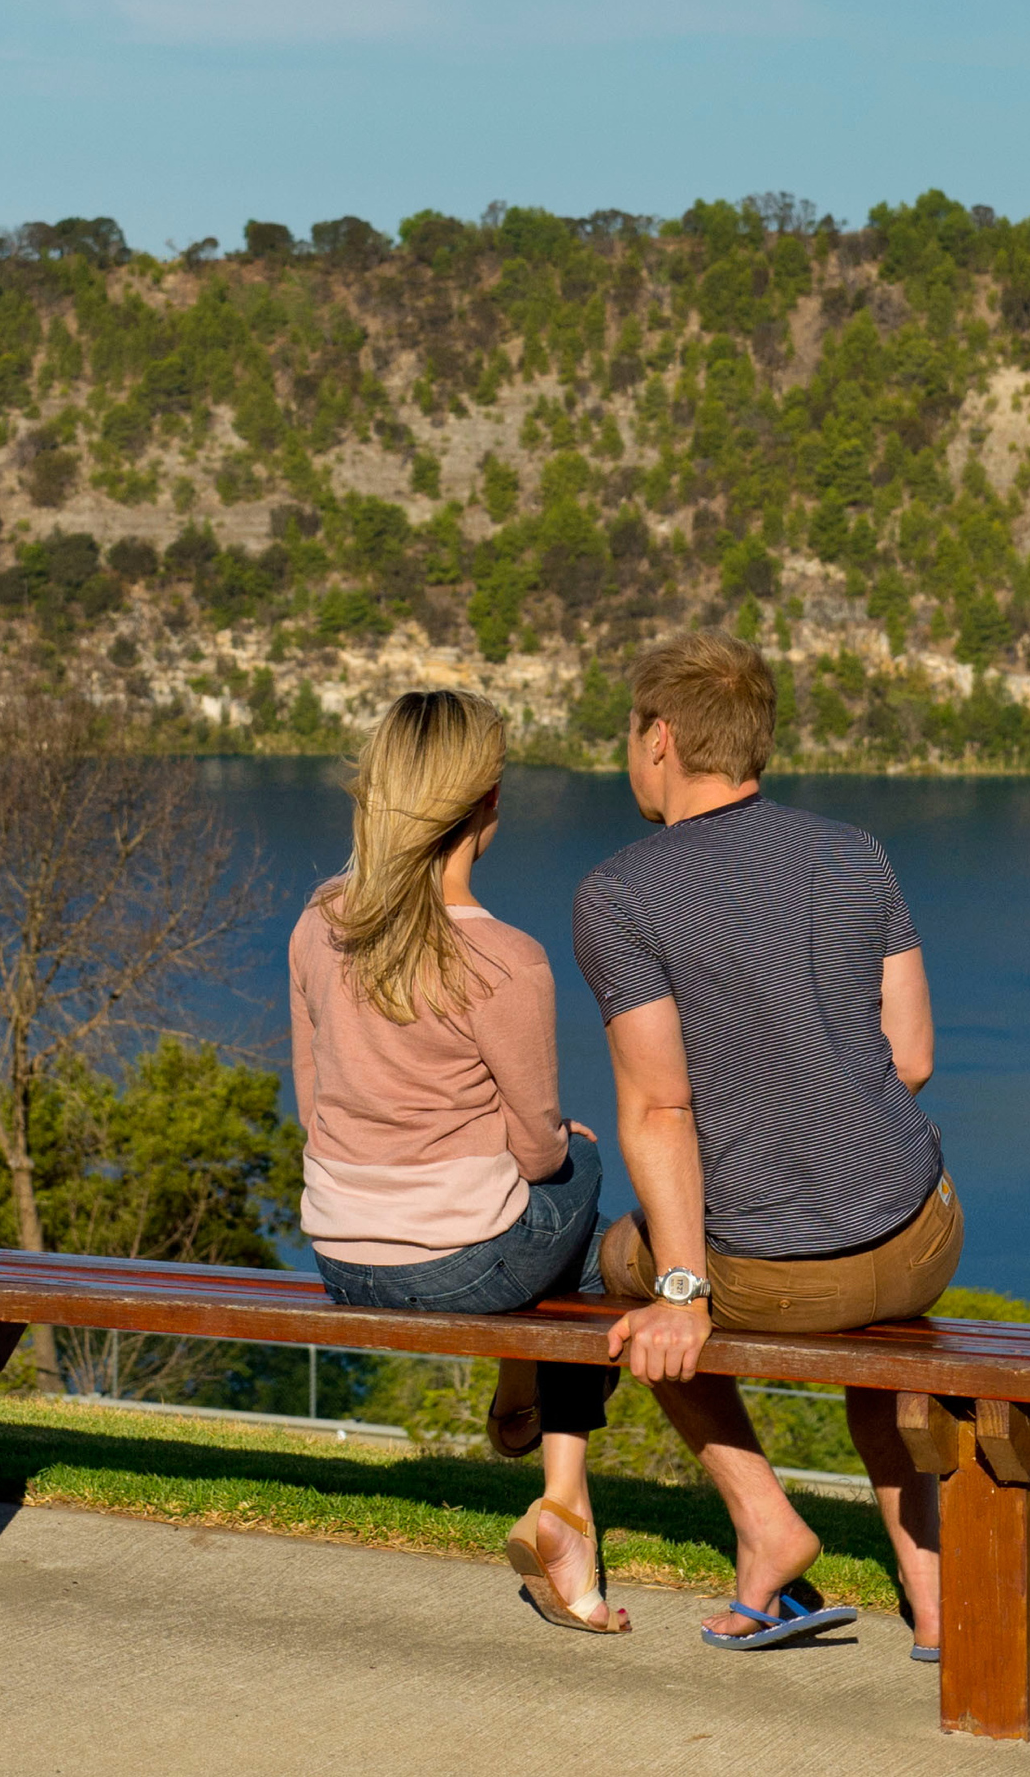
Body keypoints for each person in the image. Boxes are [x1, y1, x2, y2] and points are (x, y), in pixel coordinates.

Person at [583, 629, 956, 1657]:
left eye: (629, 734)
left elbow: (660, 1109)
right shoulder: (853, 852)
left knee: (624, 1264)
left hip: (781, 1277)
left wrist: (680, 1287)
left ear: (659, 738)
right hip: (921, 1236)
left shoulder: (620, 893)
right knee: (874, 1339)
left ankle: (765, 1522)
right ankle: (931, 1589)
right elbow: (912, 1056)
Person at [291, 688, 628, 1634]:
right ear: (486, 807)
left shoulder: (319, 922)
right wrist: (565, 1149)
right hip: (465, 1265)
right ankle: (560, 1494)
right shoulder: (504, 960)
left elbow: (315, 1102)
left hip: (342, 1257)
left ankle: (562, 1497)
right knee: (586, 1195)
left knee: (572, 1236)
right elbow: (534, 1146)